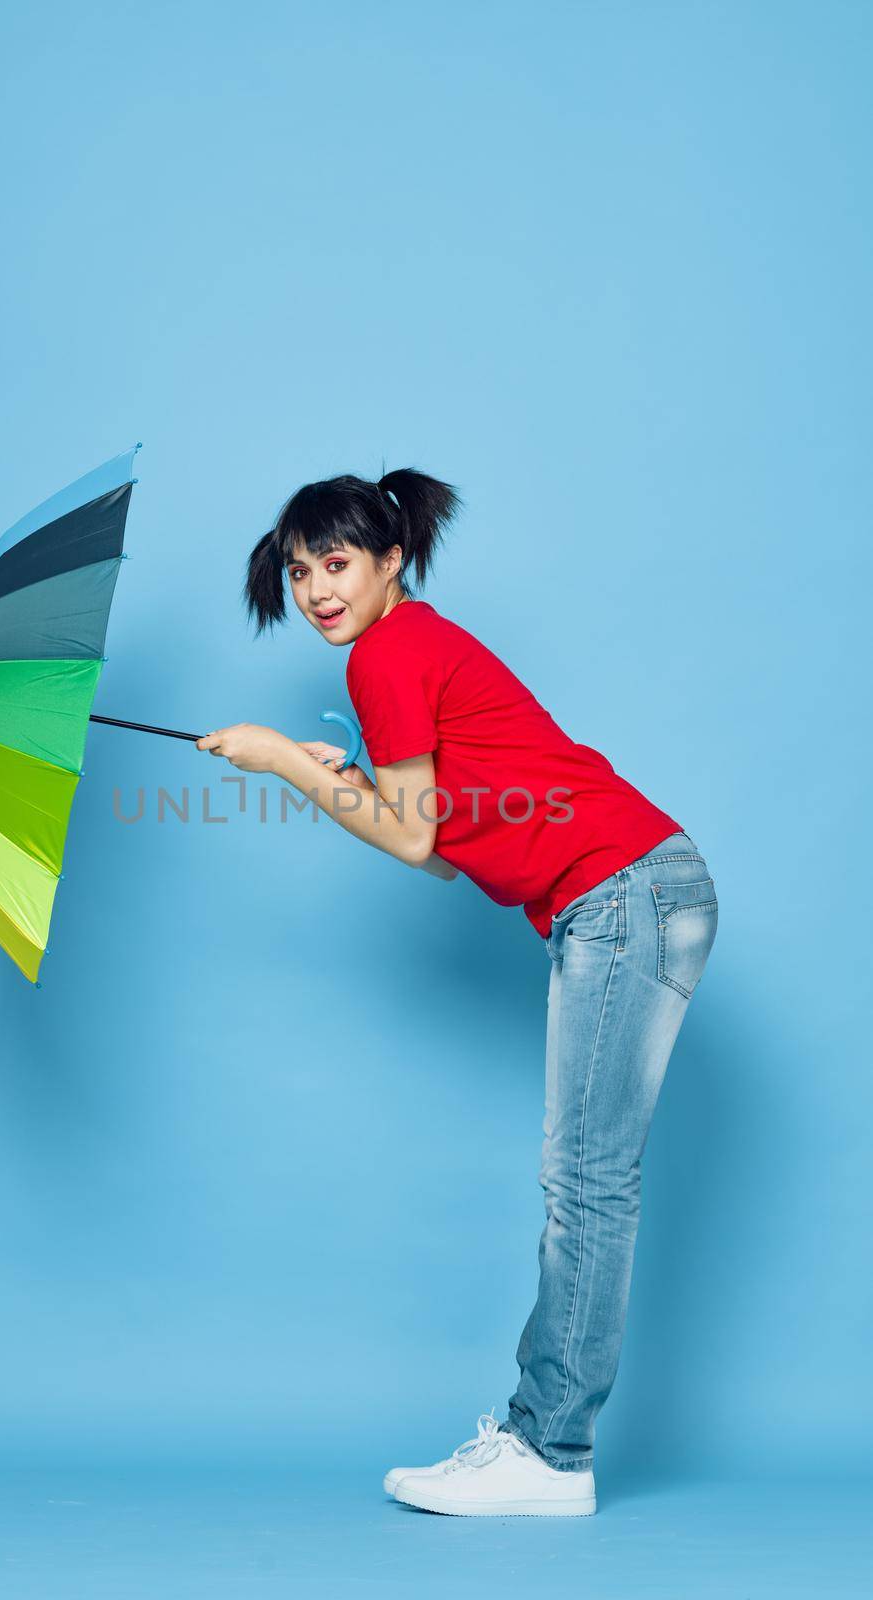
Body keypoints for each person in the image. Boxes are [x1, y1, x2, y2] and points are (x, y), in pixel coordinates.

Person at [195, 468, 719, 1517]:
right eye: (298, 572)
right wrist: (330, 771)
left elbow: (410, 836)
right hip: (635, 890)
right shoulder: (410, 646)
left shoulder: (389, 653)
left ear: (390, 560)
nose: (314, 591)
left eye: (334, 564)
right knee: (587, 1177)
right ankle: (547, 1446)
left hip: (621, 895)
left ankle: (549, 1452)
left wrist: (279, 764)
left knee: (585, 1182)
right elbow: (438, 851)